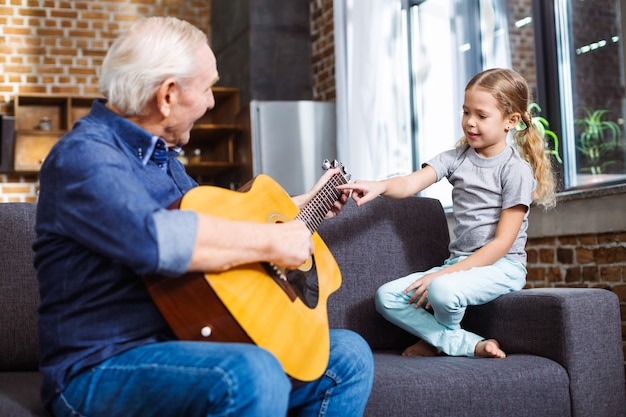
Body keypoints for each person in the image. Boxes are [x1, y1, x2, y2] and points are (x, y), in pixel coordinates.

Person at [33, 16, 373, 417]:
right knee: (251, 373)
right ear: (168, 96)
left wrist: (304, 206)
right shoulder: (83, 156)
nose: (212, 101)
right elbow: (153, 238)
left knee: (348, 356)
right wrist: (274, 241)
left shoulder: (166, 161)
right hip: (99, 366)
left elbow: (227, 223)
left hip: (185, 340)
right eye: (208, 87)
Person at [338, 68, 556, 359]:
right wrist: (379, 186)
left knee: (441, 289)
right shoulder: (456, 158)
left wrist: (445, 274)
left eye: (481, 115)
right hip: (459, 264)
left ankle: (437, 342)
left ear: (511, 121)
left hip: (503, 267)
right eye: (466, 112)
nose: (470, 122)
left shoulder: (515, 170)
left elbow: (501, 244)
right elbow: (409, 182)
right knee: (387, 297)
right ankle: (464, 344)